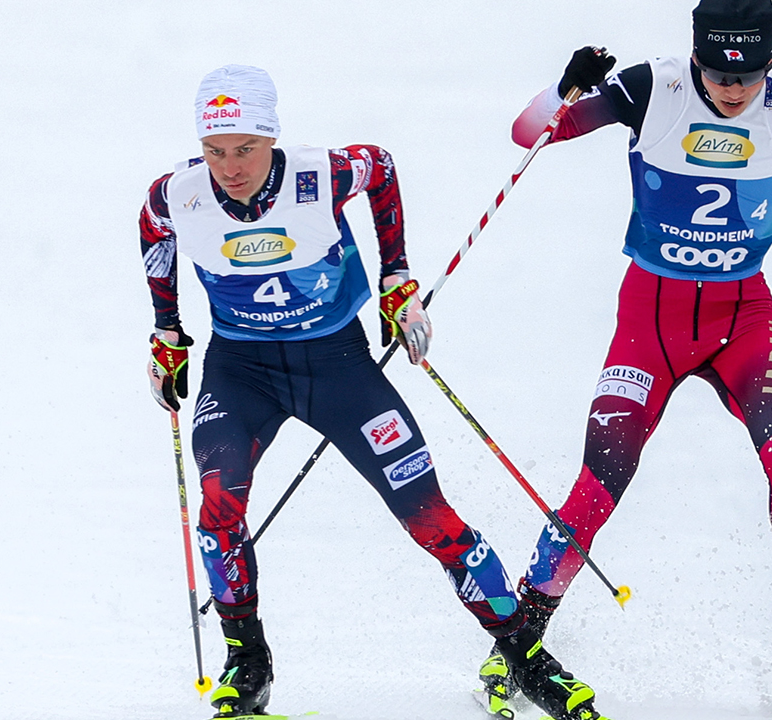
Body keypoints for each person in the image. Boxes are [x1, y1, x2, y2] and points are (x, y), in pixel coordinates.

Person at [477, 0, 772, 707]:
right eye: (718, 71)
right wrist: (565, 86)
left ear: (769, 63)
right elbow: (530, 133)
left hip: (743, 318)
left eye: (748, 73)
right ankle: (519, 636)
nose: (733, 87)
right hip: (648, 323)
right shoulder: (652, 88)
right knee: (601, 480)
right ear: (696, 56)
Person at [140, 65, 610, 720]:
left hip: (336, 366)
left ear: (271, 138)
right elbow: (153, 228)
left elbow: (382, 169)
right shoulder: (179, 193)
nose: (230, 166)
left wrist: (397, 282)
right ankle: (247, 665)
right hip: (240, 371)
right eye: (216, 150)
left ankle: (526, 659)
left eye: (246, 148)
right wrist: (167, 333)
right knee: (219, 505)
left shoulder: (318, 175)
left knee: (430, 519)